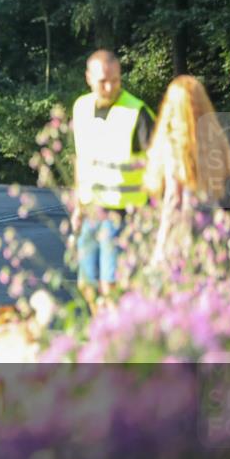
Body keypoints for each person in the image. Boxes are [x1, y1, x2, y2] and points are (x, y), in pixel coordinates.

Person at [143, 75, 230, 264]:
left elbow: (173, 199)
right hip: (221, 243)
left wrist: (159, 249)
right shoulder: (217, 143)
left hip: (185, 244)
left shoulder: (171, 145)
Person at [70, 50, 155, 307]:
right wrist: (77, 205)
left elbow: (159, 163)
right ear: (88, 78)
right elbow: (80, 158)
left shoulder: (137, 112)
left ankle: (112, 341)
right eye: (103, 81)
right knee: (86, 283)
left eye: (115, 80)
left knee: (111, 284)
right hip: (90, 211)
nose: (110, 87)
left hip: (122, 213)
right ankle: (102, 332)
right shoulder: (81, 107)